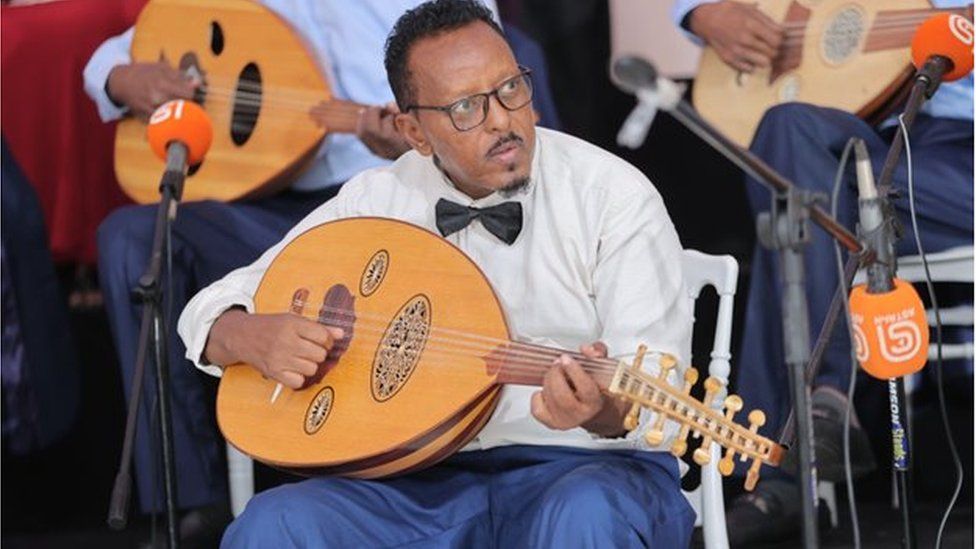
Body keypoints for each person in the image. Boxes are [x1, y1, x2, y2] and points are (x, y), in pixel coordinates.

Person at [178, 1, 696, 546]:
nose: (501, 119)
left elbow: (658, 386)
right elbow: (211, 306)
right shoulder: (377, 199)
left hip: (584, 471)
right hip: (420, 484)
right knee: (275, 524)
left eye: (511, 89)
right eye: (466, 107)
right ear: (413, 131)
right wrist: (242, 334)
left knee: (585, 514)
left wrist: (602, 411)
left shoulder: (610, 195)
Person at [82, 0, 561, 544]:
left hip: (388, 196)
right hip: (266, 202)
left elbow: (478, 66)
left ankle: (394, 471)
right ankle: (191, 501)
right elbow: (113, 56)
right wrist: (123, 79)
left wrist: (413, 143)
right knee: (131, 237)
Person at [673, 0, 974, 545]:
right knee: (788, 133)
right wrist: (700, 12)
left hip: (963, 146)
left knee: (811, 199)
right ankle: (823, 410)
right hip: (885, 128)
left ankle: (785, 469)